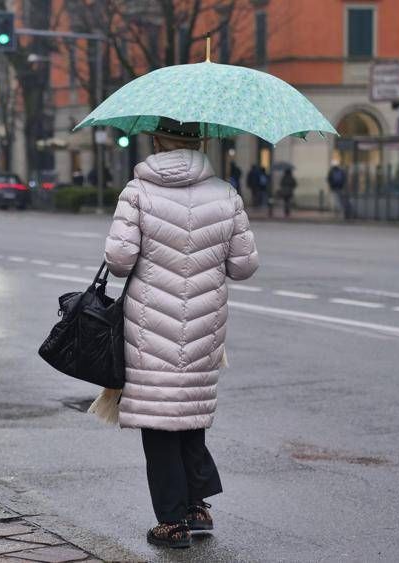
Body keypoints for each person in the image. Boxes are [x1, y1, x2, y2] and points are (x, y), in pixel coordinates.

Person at [104, 117, 259, 549]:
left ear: (156, 140)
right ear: (200, 142)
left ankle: (171, 523)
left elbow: (119, 261)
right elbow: (244, 266)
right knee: (189, 414)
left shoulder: (137, 193)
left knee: (158, 422)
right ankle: (196, 508)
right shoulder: (226, 194)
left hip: (151, 325)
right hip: (206, 325)